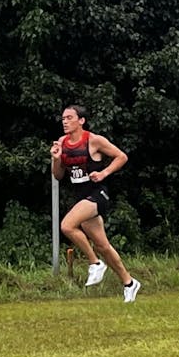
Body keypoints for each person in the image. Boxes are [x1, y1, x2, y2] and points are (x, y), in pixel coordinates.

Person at [50, 104, 141, 302]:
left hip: (98, 194)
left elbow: (121, 156)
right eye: (63, 118)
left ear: (81, 121)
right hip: (81, 197)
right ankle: (129, 283)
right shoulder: (62, 143)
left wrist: (104, 173)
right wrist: (56, 159)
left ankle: (95, 263)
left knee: (66, 225)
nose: (64, 121)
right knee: (103, 246)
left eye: (69, 118)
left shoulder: (94, 140)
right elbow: (57, 175)